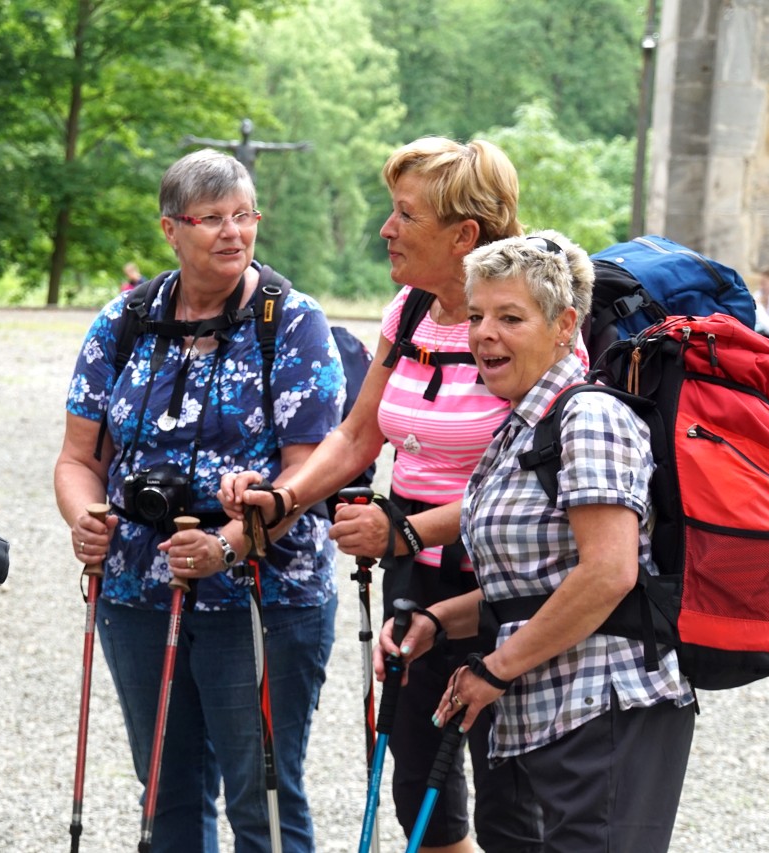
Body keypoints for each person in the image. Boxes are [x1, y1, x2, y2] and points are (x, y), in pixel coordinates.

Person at [221, 136, 544, 853]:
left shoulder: (534, 319)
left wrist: (406, 532)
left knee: (511, 797)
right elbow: (358, 437)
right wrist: (282, 497)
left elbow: (530, 482)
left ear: (465, 234)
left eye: (404, 214)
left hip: (508, 577)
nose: (385, 228)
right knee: (420, 789)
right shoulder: (410, 311)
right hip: (415, 573)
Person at [53, 148, 344, 852]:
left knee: (263, 797)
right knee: (165, 793)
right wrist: (86, 517)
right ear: (170, 229)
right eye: (211, 218)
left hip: (262, 592)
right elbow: (78, 459)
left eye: (244, 215)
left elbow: (314, 466)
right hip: (138, 591)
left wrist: (232, 542)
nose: (232, 233)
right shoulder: (125, 321)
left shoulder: (291, 321)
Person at [383, 231, 696, 853]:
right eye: (476, 316)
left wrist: (494, 670)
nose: (484, 333)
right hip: (549, 715)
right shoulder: (521, 428)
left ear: (564, 326)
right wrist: (438, 622)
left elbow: (608, 575)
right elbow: (530, 587)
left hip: (606, 711)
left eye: (510, 317)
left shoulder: (590, 417)